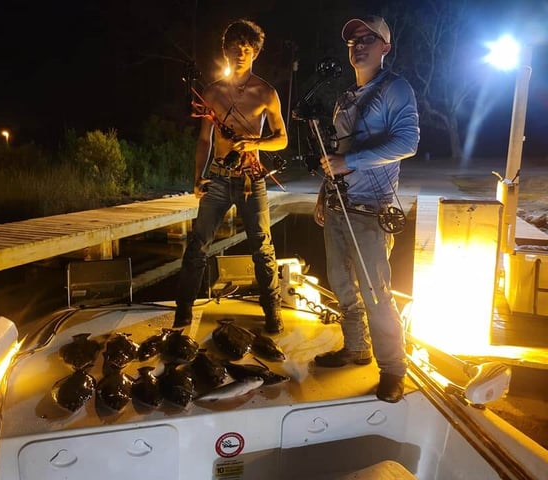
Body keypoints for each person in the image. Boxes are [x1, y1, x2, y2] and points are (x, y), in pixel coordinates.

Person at [312, 15, 419, 403]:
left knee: (377, 294)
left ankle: (393, 368)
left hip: (372, 209)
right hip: (339, 206)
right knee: (341, 285)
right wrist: (325, 192)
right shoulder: (345, 97)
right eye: (353, 40)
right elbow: (337, 153)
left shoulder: (396, 89)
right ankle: (356, 347)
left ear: (385, 47)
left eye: (368, 39)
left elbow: (408, 142)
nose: (358, 45)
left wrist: (351, 163)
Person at [173, 19, 288, 334]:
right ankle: (183, 312)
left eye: (247, 49)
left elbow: (282, 138)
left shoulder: (266, 92)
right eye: (234, 48)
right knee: (198, 244)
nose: (240, 54)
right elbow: (204, 140)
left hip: (253, 179)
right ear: (224, 52)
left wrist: (255, 143)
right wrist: (198, 177)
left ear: (255, 54)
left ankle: (272, 312)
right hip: (218, 177)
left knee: (262, 246)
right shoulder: (212, 92)